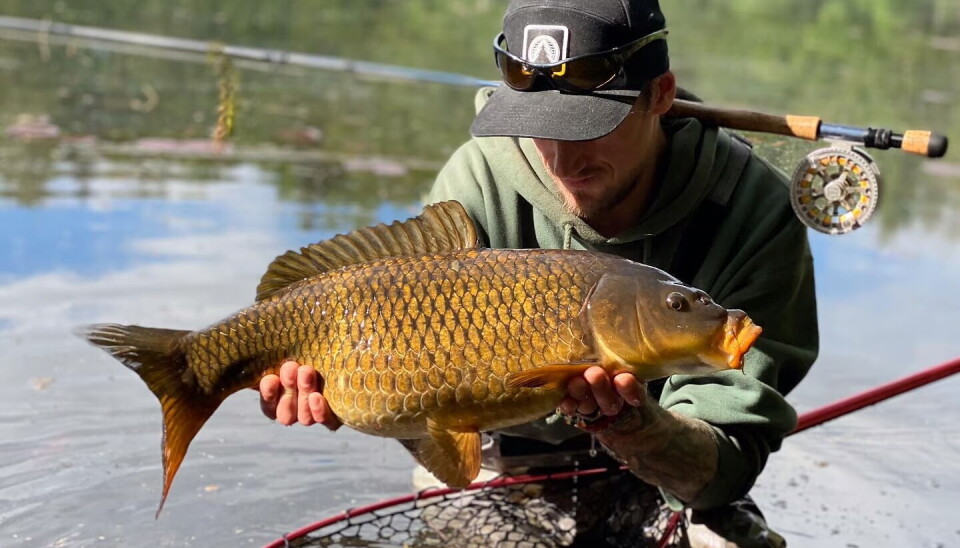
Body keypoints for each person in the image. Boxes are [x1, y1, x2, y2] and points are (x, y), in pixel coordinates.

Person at [259, 0, 818, 545]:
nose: (560, 159)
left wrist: (635, 427)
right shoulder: (478, 180)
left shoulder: (753, 211)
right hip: (498, 459)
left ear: (660, 96)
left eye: (589, 126)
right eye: (538, 125)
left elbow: (723, 466)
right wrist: (355, 392)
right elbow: (428, 397)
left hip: (670, 472)